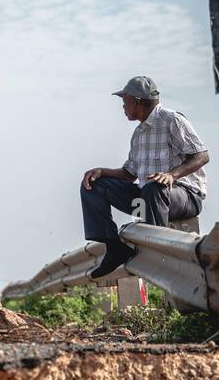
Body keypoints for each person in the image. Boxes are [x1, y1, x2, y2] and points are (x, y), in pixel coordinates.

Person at [80, 76, 210, 279]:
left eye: (125, 102)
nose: (123, 107)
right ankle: (115, 248)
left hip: (185, 196)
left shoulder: (172, 120)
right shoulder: (139, 133)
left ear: (137, 102)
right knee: (94, 184)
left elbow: (202, 156)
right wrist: (101, 171)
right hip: (148, 197)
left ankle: (160, 257)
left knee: (153, 187)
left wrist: (171, 175)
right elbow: (129, 174)